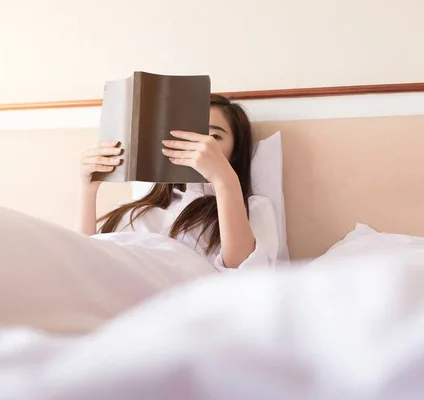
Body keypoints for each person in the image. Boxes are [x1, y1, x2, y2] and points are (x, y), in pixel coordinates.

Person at [0, 94, 278, 333]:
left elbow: (243, 276)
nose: (199, 146)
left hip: (159, 294)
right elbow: (85, 254)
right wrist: (89, 189)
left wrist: (224, 180)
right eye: (188, 136)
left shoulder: (252, 208)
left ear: (236, 150)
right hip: (106, 282)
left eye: (214, 136)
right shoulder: (140, 210)